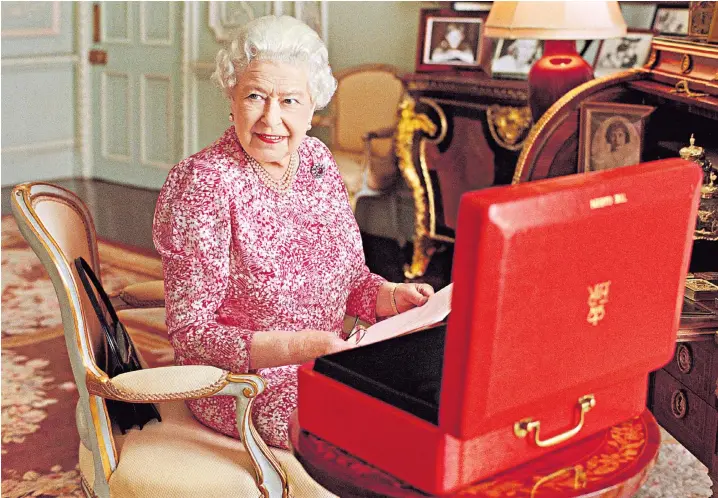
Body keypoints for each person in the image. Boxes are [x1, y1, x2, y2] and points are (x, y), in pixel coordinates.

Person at [153, 15, 435, 450]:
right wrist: (301, 347)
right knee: (363, 435)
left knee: (432, 397)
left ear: (312, 107)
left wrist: (390, 296)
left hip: (328, 358)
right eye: (255, 96)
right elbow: (192, 333)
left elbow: (352, 280)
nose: (271, 118)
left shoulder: (317, 160)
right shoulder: (204, 182)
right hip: (242, 384)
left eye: (289, 101)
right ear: (231, 96)